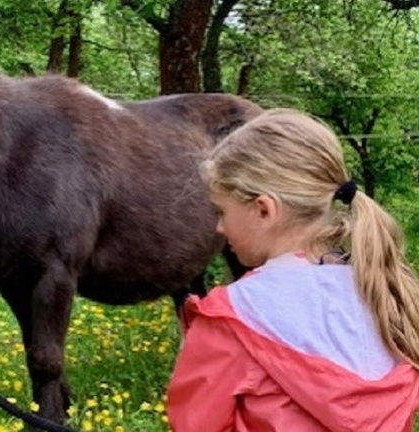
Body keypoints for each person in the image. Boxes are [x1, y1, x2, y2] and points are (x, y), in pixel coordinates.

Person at [166, 108, 419, 431]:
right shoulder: (385, 299)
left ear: (263, 209)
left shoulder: (231, 320)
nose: (219, 228)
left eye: (221, 211)